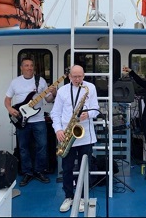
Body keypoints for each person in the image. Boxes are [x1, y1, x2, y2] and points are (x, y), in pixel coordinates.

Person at [51, 65, 100, 213]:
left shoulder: (90, 88)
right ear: (69, 76)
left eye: (80, 76)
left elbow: (96, 109)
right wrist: (58, 130)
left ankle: (83, 197)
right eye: (74, 77)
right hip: (67, 135)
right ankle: (69, 196)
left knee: (86, 168)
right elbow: (55, 113)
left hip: (86, 135)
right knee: (67, 168)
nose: (77, 79)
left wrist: (88, 115)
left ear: (83, 75)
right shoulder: (62, 91)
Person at [5, 57, 55, 186]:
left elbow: (48, 100)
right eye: (26, 65)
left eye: (31, 65)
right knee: (23, 148)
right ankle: (27, 172)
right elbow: (7, 99)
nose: (29, 68)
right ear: (21, 68)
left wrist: (53, 93)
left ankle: (39, 171)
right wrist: (10, 109)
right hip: (21, 119)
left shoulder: (41, 81)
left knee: (42, 146)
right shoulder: (15, 82)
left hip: (38, 120)